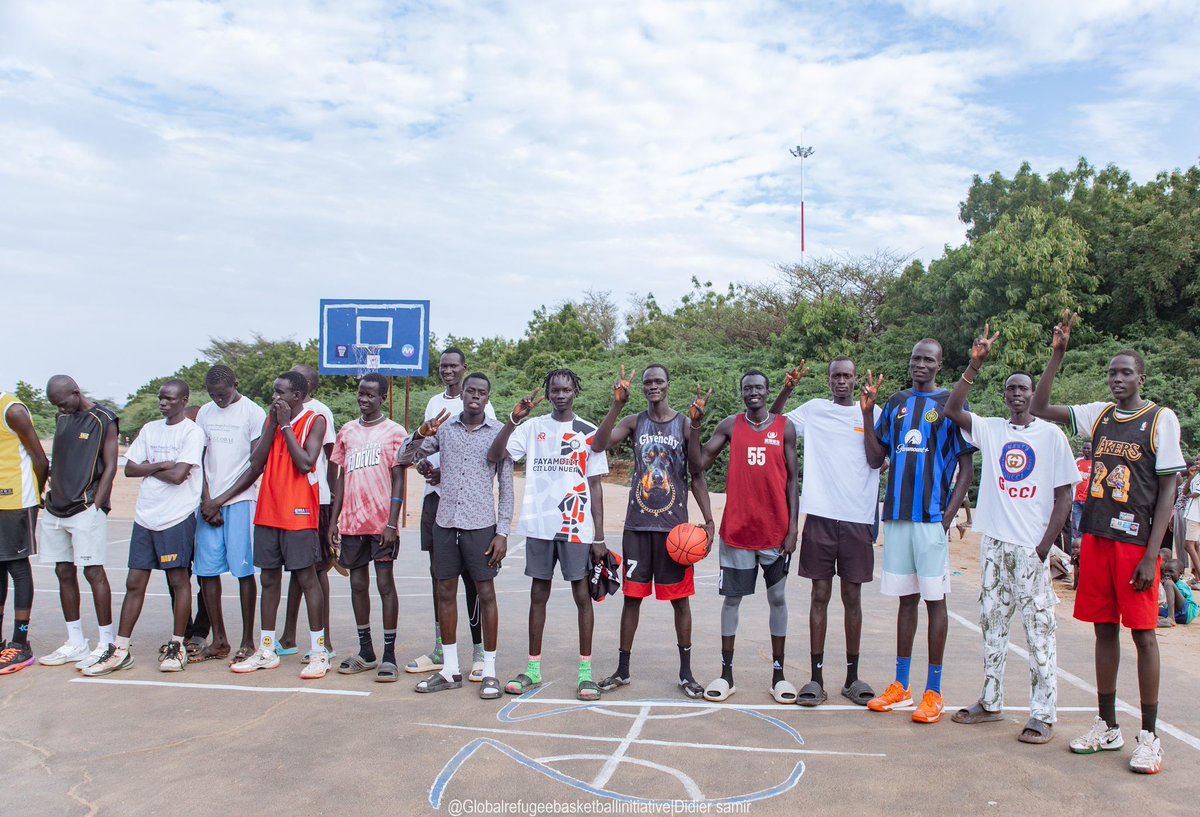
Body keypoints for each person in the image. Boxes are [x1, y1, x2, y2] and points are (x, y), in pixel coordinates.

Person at [1032, 310, 1186, 774]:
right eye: (1112, 372)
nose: (1118, 379)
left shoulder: (1160, 419)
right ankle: (1107, 724)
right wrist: (1056, 356)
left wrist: (1152, 553)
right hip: (1098, 538)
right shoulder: (1098, 414)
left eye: (1125, 372)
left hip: (1136, 544)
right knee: (1103, 630)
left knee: (1143, 635)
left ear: (1141, 376)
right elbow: (1040, 409)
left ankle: (1150, 736)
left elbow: (1167, 491)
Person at [943, 326, 1079, 744]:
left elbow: (1065, 497)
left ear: (1031, 394)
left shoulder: (1052, 436)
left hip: (1030, 549)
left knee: (1039, 630)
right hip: (994, 546)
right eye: (1011, 389)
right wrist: (975, 363)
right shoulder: (993, 430)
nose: (1018, 394)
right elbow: (952, 410)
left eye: (1024, 388)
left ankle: (1043, 712)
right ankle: (991, 700)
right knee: (993, 625)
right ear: (1005, 395)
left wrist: (1043, 548)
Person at [861, 338, 975, 724]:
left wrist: (947, 517)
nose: (920, 365)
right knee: (906, 600)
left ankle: (934, 692)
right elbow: (876, 458)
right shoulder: (894, 403)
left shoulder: (951, 405)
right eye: (915, 358)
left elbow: (966, 470)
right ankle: (901, 686)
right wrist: (865, 415)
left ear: (939, 365)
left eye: (928, 359)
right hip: (896, 517)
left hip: (930, 521)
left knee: (934, 601)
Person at [590, 365, 716, 699]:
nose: (653, 386)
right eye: (648, 382)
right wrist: (617, 404)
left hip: (675, 531)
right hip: (637, 526)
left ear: (668, 385)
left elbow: (697, 472)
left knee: (680, 602)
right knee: (632, 599)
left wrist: (708, 518)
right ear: (642, 388)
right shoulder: (634, 422)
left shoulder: (684, 423)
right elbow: (599, 445)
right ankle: (622, 670)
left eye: (658, 381)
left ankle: (686, 674)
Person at [486, 369, 608, 702]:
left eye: (567, 389)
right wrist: (512, 419)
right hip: (540, 525)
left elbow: (595, 487)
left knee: (582, 596)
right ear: (548, 392)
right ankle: (533, 670)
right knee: (538, 595)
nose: (560, 394)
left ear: (575, 392)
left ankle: (585, 674)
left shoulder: (589, 432)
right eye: (555, 389)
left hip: (575, 525)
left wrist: (598, 536)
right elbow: (496, 456)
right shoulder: (533, 428)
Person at [768, 357, 880, 707]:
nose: (842, 381)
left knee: (853, 598)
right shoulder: (814, 410)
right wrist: (787, 389)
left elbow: (878, 459)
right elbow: (774, 422)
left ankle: (852, 677)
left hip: (858, 518)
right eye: (836, 376)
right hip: (819, 515)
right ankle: (815, 679)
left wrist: (866, 413)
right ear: (829, 380)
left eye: (847, 375)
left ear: (856, 377)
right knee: (820, 595)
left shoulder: (874, 415)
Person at [400, 373, 513, 698]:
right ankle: (449, 669)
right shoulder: (444, 431)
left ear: (488, 398)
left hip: (481, 527)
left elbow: (506, 488)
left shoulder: (498, 435)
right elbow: (405, 458)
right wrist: (422, 432)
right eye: (470, 391)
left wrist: (502, 531)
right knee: (445, 593)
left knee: (486, 594)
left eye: (482, 392)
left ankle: (488, 670)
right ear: (461, 394)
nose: (475, 396)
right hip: (445, 523)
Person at [689, 371, 799, 704]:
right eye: (747, 388)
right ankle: (726, 675)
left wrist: (794, 528)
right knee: (732, 600)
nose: (753, 392)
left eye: (758, 388)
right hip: (737, 532)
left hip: (776, 533)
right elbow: (699, 464)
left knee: (778, 600)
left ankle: (779, 675)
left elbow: (794, 480)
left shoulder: (785, 428)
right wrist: (695, 426)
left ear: (768, 392)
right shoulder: (729, 426)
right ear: (742, 394)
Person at [83, 381, 204, 675]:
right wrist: (159, 465)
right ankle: (121, 649)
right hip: (145, 517)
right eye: (161, 398)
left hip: (176, 517)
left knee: (179, 581)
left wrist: (152, 467)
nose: (163, 403)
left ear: (183, 400)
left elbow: (178, 476)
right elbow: (130, 468)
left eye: (170, 399)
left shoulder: (192, 432)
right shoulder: (150, 429)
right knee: (134, 582)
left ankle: (177, 645)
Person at [228, 372, 331, 679]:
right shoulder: (269, 422)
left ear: (297, 396)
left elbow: (305, 462)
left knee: (307, 578)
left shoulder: (315, 420)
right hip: (268, 510)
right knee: (269, 580)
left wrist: (285, 425)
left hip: (298, 512)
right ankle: (267, 649)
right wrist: (273, 424)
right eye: (273, 393)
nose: (275, 399)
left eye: (281, 393)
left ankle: (319, 651)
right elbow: (256, 462)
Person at [36, 376, 120, 670]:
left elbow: (110, 465)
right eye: (56, 405)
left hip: (85, 508)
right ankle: (75, 642)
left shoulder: (104, 418)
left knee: (93, 572)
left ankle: (106, 642)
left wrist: (97, 504)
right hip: (56, 508)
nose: (61, 408)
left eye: (63, 402)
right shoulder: (63, 418)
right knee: (63, 570)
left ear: (75, 392)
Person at [328, 374, 408, 681]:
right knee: (357, 585)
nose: (364, 399)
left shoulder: (394, 432)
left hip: (380, 524)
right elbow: (341, 477)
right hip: (351, 523)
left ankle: (389, 655)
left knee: (385, 585)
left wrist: (392, 522)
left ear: (382, 398)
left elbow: (399, 477)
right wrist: (334, 520)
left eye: (371, 395)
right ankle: (366, 652)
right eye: (361, 394)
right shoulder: (347, 431)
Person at [192, 365, 266, 664]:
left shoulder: (253, 413)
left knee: (244, 572)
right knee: (207, 572)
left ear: (236, 384)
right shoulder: (204, 413)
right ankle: (219, 639)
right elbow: (200, 458)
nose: (219, 400)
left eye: (223, 394)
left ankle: (248, 640)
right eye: (213, 395)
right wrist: (207, 499)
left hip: (240, 501)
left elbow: (255, 466)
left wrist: (222, 499)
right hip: (208, 505)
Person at [278, 364, 338, 660]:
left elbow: (332, 460)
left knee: (317, 569)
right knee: (298, 569)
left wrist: (333, 502)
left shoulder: (320, 413)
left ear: (306, 388)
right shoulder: (281, 411)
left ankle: (324, 640)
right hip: (287, 499)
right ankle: (288, 636)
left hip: (317, 500)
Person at [0, 390, 48, 674]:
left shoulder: (12, 410)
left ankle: (20, 644)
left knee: (17, 568)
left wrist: (37, 497)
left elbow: (41, 461)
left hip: (16, 501)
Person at [1158, 558, 1197, 626]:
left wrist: (1166, 585)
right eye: (1165, 571)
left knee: (1169, 583)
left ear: (1180, 573)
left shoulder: (1181, 584)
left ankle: (1171, 618)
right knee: (1155, 609)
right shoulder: (1166, 583)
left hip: (1187, 611)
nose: (1167, 574)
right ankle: (1162, 618)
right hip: (1178, 615)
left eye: (1171, 571)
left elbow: (1177, 601)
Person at [1183, 458, 1200, 587]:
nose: (1197, 464)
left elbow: (1194, 494)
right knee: (1194, 546)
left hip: (1196, 515)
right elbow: (1185, 491)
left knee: (1188, 545)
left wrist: (1189, 496)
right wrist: (1191, 476)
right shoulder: (1196, 476)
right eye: (1197, 461)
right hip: (1191, 514)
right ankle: (1197, 577)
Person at [1073, 442, 1094, 544]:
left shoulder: (1095, 463)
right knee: (1078, 527)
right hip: (1077, 500)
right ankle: (1080, 550)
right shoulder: (1077, 461)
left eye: (1088, 448)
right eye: (1084, 448)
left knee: (1088, 527)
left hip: (1089, 501)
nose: (1086, 450)